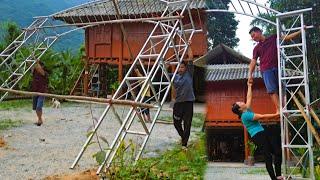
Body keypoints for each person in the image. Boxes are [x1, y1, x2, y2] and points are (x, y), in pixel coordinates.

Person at [231, 80, 283, 180]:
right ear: (240, 109)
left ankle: (278, 175)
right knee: (267, 156)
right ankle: (274, 178)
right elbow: (262, 116)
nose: (243, 102)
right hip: (258, 136)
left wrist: (249, 86)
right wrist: (276, 114)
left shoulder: (246, 109)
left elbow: (249, 97)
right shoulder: (246, 115)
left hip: (262, 133)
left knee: (277, 152)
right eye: (241, 103)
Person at [248, 26, 304, 113]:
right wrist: (250, 75)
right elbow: (253, 61)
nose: (253, 38)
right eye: (252, 37)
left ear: (259, 32)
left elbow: (287, 37)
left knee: (281, 89)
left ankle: (283, 108)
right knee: (271, 90)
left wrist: (300, 30)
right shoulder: (256, 48)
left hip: (277, 68)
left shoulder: (273, 37)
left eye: (253, 35)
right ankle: (279, 109)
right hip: (266, 69)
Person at [170, 61, 195, 148]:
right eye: (179, 67)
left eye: (182, 67)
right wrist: (172, 102)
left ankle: (184, 144)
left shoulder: (189, 74)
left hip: (188, 103)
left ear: (185, 68)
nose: (180, 69)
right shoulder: (174, 77)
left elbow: (191, 59)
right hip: (178, 103)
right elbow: (172, 88)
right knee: (176, 123)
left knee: (187, 124)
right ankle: (183, 137)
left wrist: (188, 46)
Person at [31, 60, 49, 126]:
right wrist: (32, 59)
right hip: (35, 91)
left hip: (42, 92)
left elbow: (40, 69)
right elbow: (31, 66)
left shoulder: (44, 73)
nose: (36, 67)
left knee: (39, 106)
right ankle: (39, 118)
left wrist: (37, 62)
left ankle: (40, 120)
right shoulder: (34, 72)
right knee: (35, 107)